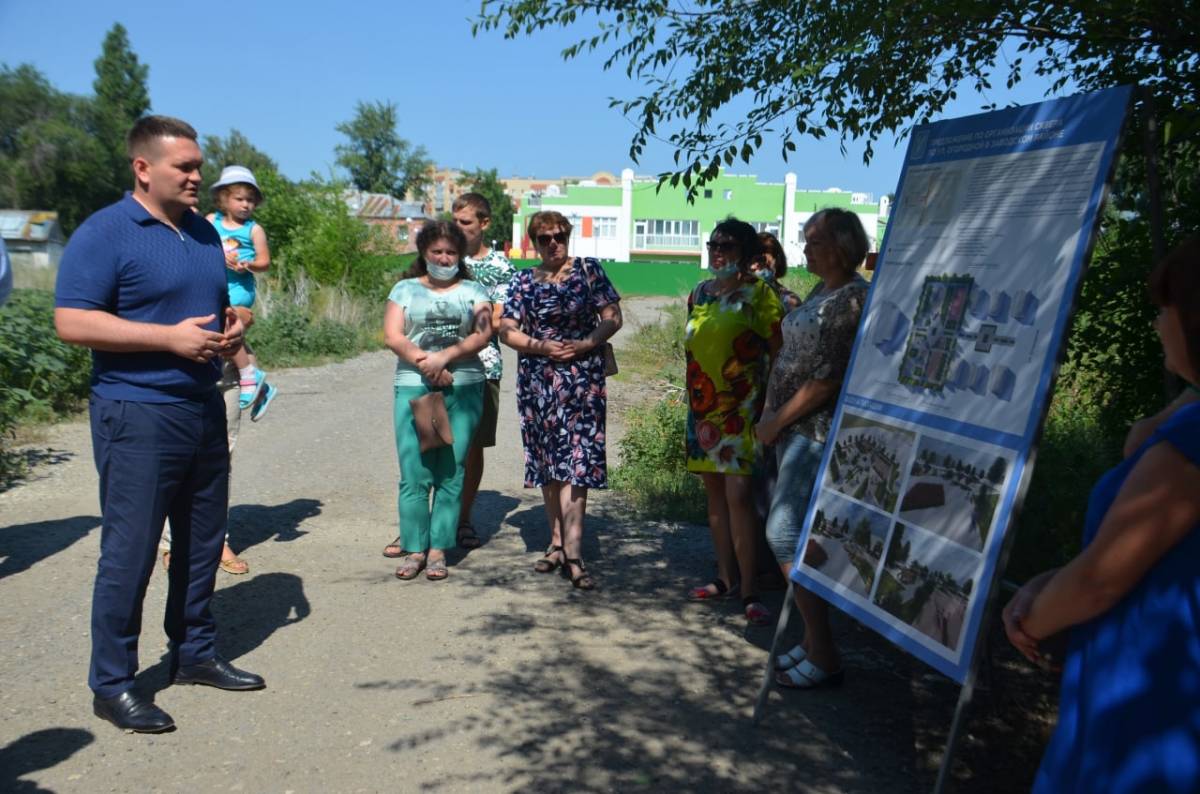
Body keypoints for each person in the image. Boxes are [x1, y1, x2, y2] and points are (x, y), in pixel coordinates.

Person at [54, 115, 264, 734]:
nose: (199, 176)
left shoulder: (201, 233)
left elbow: (216, 306)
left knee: (201, 542)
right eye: (187, 167)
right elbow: (73, 322)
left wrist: (233, 328)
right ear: (143, 169)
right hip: (137, 412)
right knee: (132, 551)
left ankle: (194, 652)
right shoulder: (106, 232)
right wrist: (166, 340)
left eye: (199, 166)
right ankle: (113, 684)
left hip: (200, 406)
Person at [1002, 235, 1200, 793]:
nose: (1157, 324)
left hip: (1141, 697)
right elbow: (1139, 444)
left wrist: (1031, 621)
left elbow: (1098, 582)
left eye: (1165, 310)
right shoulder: (1186, 423)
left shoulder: (1190, 449)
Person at [754, 208, 869, 686]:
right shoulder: (823, 291)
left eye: (815, 241)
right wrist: (768, 412)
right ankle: (810, 641)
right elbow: (791, 356)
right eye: (805, 240)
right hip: (788, 428)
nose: (805, 250)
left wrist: (777, 418)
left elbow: (826, 381)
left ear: (843, 245)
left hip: (813, 431)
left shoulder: (852, 299)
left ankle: (824, 651)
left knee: (784, 533)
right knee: (794, 532)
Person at [382, 193, 514, 557]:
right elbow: (394, 333)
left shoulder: (487, 278)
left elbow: (491, 325)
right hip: (421, 379)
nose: (444, 258)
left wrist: (447, 358)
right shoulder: (408, 286)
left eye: (451, 252)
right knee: (420, 460)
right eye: (437, 251)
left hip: (473, 376)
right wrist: (428, 362)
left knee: (459, 460)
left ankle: (451, 533)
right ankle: (415, 540)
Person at [498, 210, 622, 590]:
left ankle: (574, 551)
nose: (554, 243)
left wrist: (587, 343)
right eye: (544, 238)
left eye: (560, 236)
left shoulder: (588, 270)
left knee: (578, 462)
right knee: (548, 461)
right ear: (532, 243)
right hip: (537, 380)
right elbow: (506, 330)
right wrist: (540, 346)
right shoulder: (523, 281)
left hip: (582, 379)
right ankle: (554, 543)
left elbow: (613, 317)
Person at [684, 217, 784, 623]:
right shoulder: (698, 294)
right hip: (702, 410)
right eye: (713, 244)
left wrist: (771, 405)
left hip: (743, 411)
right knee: (714, 496)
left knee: (739, 496)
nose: (718, 251)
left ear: (745, 252)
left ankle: (749, 588)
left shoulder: (759, 294)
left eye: (727, 245)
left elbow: (779, 352)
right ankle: (723, 577)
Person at [207, 165, 276, 421]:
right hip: (214, 286)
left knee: (229, 325)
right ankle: (262, 390)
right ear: (224, 199)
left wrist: (247, 264)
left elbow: (265, 262)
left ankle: (249, 374)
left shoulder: (253, 230)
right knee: (229, 338)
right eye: (239, 199)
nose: (245, 205)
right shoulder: (211, 221)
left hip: (239, 288)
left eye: (250, 200)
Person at [750, 231, 802, 311]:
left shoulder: (790, 301)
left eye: (762, 259)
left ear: (778, 260)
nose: (754, 266)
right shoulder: (738, 296)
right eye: (751, 260)